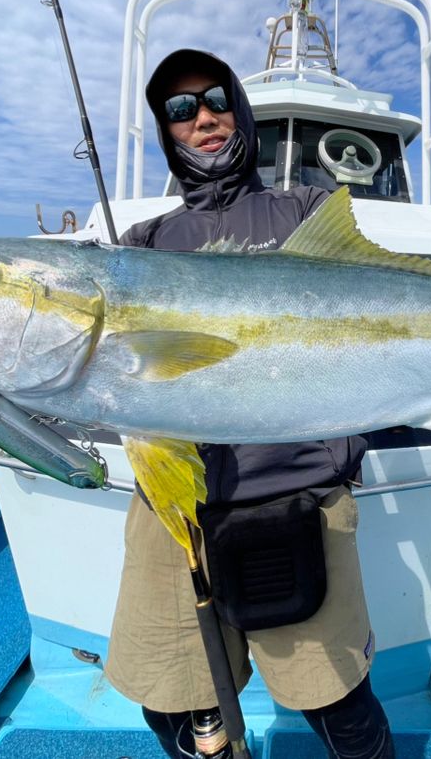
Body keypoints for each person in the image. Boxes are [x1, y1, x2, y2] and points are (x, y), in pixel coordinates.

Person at [103, 49, 395, 759]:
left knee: (339, 702)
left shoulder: (307, 210)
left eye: (213, 99)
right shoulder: (143, 243)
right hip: (177, 513)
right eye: (178, 109)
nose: (201, 118)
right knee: (175, 705)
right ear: (166, 129)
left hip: (299, 499)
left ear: (238, 105)